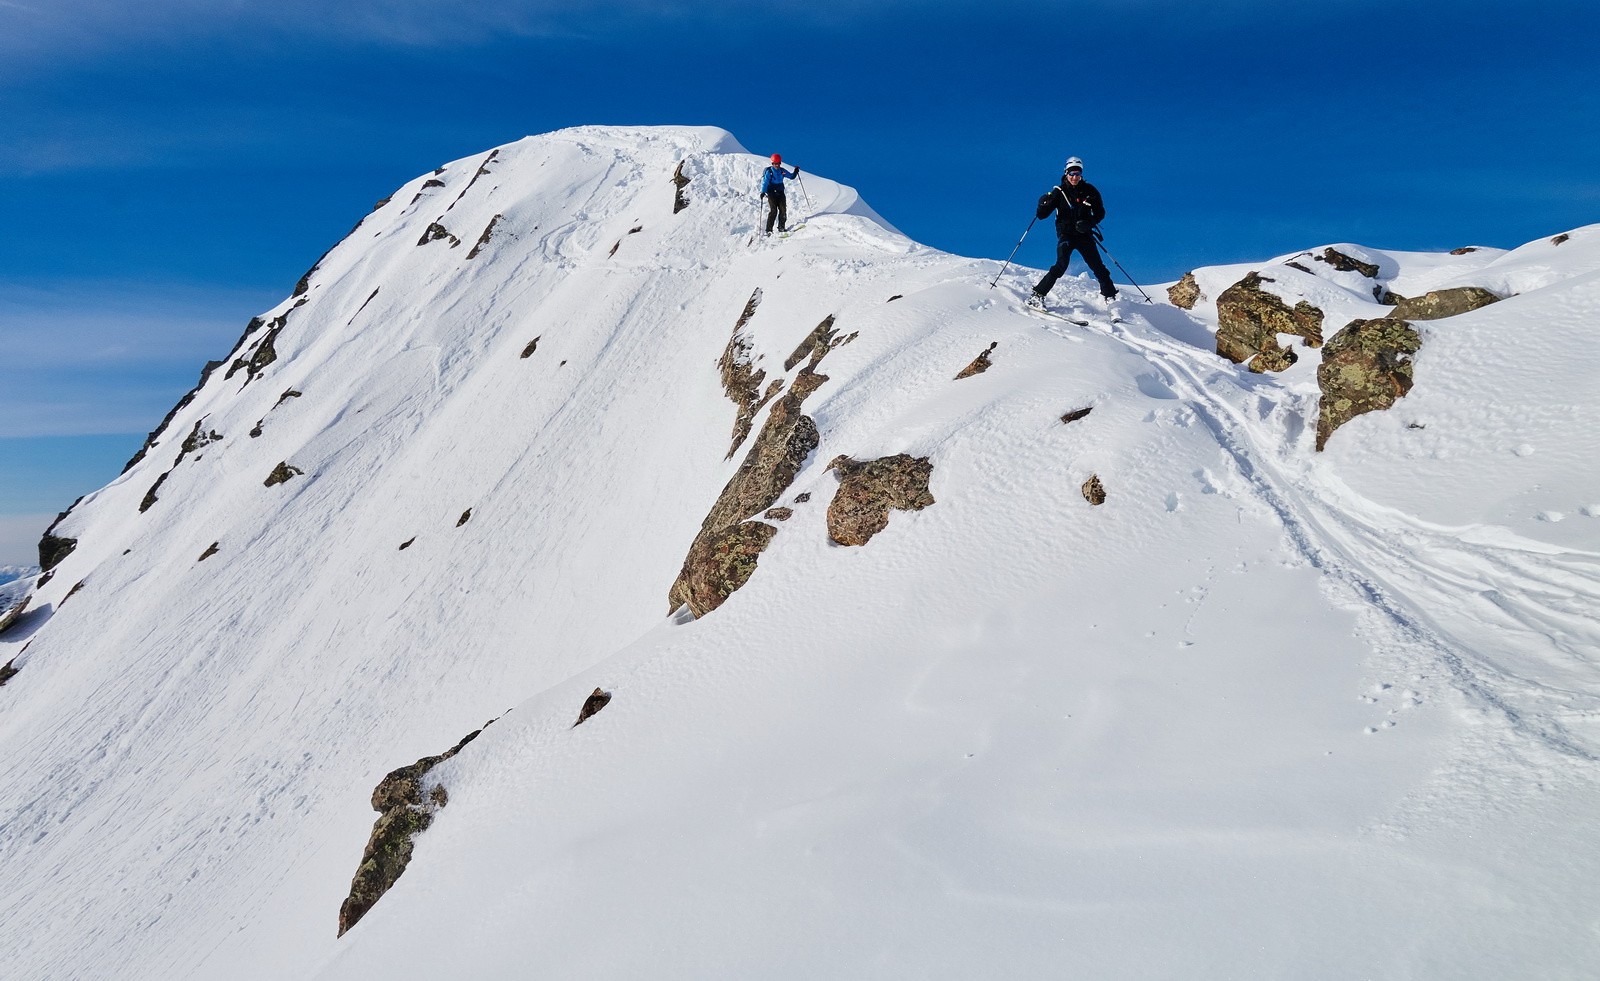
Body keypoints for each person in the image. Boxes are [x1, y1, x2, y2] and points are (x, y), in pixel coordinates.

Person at [1027, 156, 1117, 307]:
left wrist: (1089, 223)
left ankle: (1110, 297)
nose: (1074, 177)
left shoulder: (1090, 191)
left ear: (1081, 174)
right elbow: (1042, 215)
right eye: (1071, 174)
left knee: (1097, 266)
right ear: (1066, 173)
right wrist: (1042, 205)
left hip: (1084, 235)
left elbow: (1100, 213)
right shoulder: (1059, 192)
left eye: (1078, 174)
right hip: (1066, 234)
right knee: (1061, 265)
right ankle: (1038, 295)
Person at [758, 154, 801, 235]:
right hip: (771, 193)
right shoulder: (769, 172)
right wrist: (763, 192)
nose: (777, 165)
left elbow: (791, 176)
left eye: (778, 163)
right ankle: (769, 230)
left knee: (783, 210)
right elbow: (765, 182)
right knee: (773, 210)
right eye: (775, 163)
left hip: (780, 193)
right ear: (772, 163)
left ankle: (781, 227)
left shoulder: (782, 171)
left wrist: (795, 171)